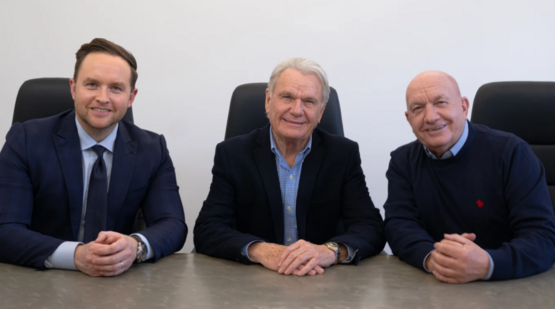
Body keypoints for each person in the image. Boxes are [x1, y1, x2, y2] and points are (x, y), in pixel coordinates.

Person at [0, 38, 187, 276]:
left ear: (131, 97)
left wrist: (135, 246)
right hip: (40, 277)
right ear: (73, 88)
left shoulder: (152, 148)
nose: (102, 97)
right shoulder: (25, 140)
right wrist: (76, 256)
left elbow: (173, 224)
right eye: (92, 84)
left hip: (119, 284)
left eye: (116, 88)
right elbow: (5, 229)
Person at [194, 58, 385, 276]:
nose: (297, 110)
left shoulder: (343, 154)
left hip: (322, 281)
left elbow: (370, 227)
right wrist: (260, 250)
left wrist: (329, 251)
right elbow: (208, 229)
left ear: (321, 112)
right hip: (253, 281)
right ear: (268, 100)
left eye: (309, 102)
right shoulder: (232, 154)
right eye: (287, 97)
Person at [384, 70, 555, 283]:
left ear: (464, 107)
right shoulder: (403, 161)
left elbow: (542, 238)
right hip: (435, 287)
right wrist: (433, 258)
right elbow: (399, 225)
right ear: (409, 119)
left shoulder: (512, 153)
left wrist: (487, 263)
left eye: (441, 102)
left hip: (513, 286)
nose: (431, 117)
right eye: (418, 109)